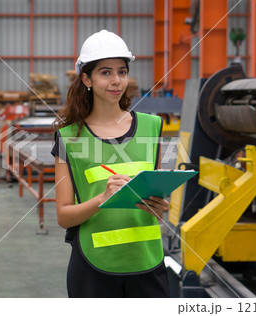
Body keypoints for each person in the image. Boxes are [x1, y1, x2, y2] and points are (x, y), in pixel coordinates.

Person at [51, 30, 170, 298]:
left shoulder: (152, 127)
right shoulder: (69, 138)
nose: (116, 81)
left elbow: (156, 203)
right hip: (93, 270)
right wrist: (103, 198)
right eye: (105, 73)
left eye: (122, 72)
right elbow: (63, 216)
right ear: (86, 79)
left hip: (147, 264)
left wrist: (159, 206)